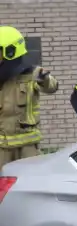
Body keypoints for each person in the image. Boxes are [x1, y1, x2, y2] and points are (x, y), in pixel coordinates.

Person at [0, 26, 58, 165]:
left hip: (27, 147)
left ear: (11, 51)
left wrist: (45, 79)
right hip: (1, 148)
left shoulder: (33, 73)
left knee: (29, 182)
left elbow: (52, 87)